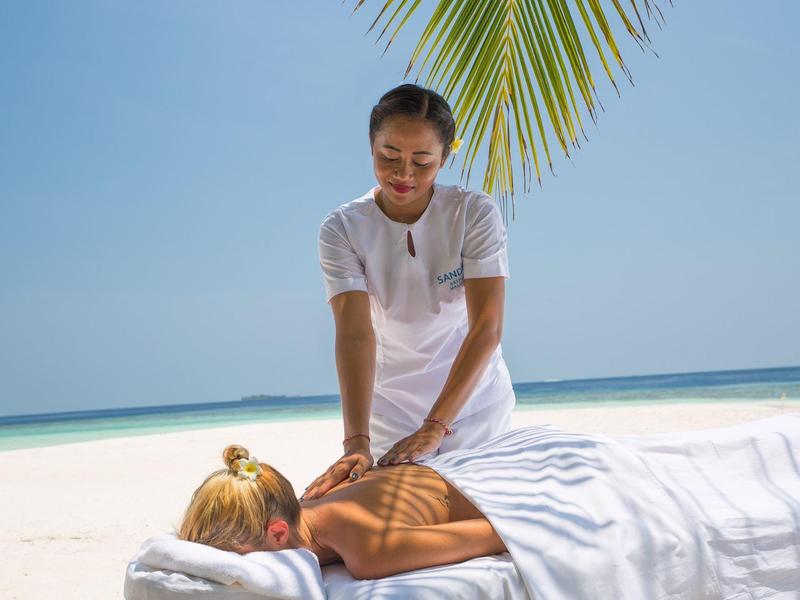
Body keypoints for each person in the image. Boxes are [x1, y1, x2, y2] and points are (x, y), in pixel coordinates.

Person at [304, 83, 516, 501]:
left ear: (445, 158)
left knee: (482, 510)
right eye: (389, 157)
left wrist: (437, 426)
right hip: (392, 414)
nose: (404, 174)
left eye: (422, 162)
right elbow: (354, 335)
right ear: (371, 146)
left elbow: (486, 328)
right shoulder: (343, 229)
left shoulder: (473, 214)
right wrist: (356, 442)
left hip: (474, 407)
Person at [178, 444, 508, 580]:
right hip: (466, 458)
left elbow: (498, 532)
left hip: (500, 480)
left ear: (277, 534)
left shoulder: (369, 551)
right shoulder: (305, 499)